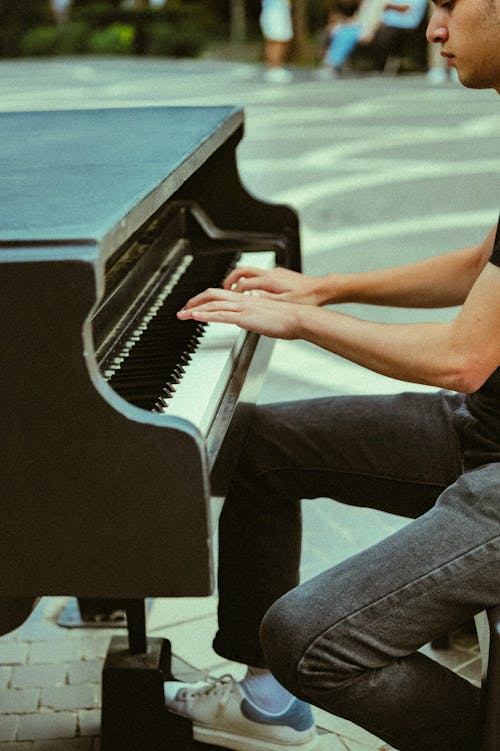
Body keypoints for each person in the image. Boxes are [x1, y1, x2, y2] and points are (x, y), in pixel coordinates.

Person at [164, 1, 500, 749]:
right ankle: (260, 704)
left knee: (307, 637)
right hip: (488, 429)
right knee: (261, 443)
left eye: (450, 4)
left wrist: (304, 321)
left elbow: (463, 357)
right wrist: (326, 287)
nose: (434, 27)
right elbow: (479, 267)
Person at [322, 0, 428, 75]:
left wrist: (388, 7)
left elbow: (408, 10)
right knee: (343, 31)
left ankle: (333, 62)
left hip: (397, 25)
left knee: (377, 6)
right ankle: (333, 62)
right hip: (374, 23)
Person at [260, 0, 294, 83]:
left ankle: (274, 68)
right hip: (275, 10)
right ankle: (274, 69)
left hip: (277, 10)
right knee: (277, 41)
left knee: (277, 41)